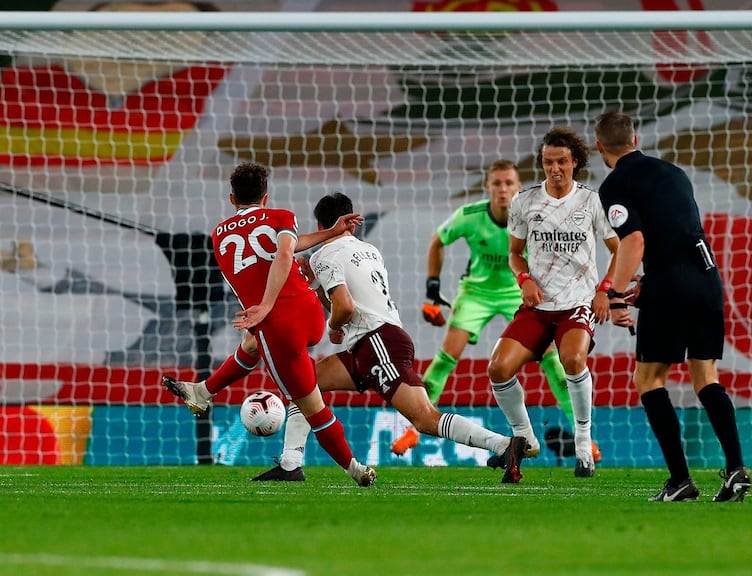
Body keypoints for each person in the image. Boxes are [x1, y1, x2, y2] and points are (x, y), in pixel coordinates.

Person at [168, 192, 529, 484]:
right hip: (376, 341)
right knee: (306, 384)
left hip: (376, 343)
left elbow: (343, 305)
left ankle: (502, 444)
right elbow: (345, 292)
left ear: (320, 225)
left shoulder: (326, 254)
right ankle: (291, 463)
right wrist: (316, 285)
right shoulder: (368, 250)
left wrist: (332, 326)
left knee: (423, 418)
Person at [162, 162, 377, 487]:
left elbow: (282, 256)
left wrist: (265, 306)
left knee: (311, 406)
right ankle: (202, 392)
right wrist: (332, 232)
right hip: (309, 313)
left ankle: (355, 469)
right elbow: (286, 247)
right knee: (251, 344)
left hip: (279, 326)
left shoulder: (219, 234)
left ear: (232, 198)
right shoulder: (281, 216)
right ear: (266, 197)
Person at [594, 110, 749, 502]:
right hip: (707, 278)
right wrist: (648, 284)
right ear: (635, 139)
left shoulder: (615, 184)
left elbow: (634, 241)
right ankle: (736, 470)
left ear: (599, 147)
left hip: (670, 284)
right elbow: (675, 233)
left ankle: (680, 480)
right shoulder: (674, 172)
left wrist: (615, 293)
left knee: (649, 379)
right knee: (706, 375)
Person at [405, 159, 602, 462]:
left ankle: (585, 438)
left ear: (518, 186)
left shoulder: (534, 213)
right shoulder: (469, 216)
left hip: (518, 292)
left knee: (554, 360)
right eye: (497, 183)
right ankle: (413, 427)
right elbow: (437, 241)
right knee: (446, 356)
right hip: (476, 293)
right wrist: (432, 289)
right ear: (488, 186)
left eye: (509, 183)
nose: (502, 189)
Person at [486, 126, 619, 479]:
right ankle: (526, 438)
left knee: (572, 359)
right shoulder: (524, 202)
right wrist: (524, 279)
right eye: (548, 162)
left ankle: (583, 443)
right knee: (498, 368)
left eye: (561, 161)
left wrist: (605, 290)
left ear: (575, 162)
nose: (554, 168)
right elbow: (515, 253)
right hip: (538, 306)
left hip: (577, 303)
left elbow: (618, 249)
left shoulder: (592, 201)